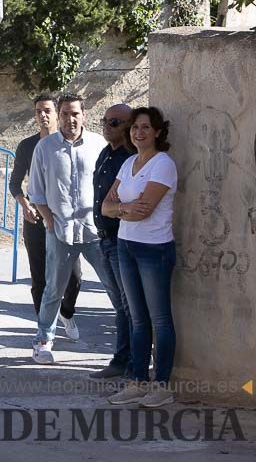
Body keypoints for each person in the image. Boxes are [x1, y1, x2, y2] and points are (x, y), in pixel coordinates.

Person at [103, 107, 179, 408]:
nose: (139, 132)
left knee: (159, 319)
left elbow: (144, 210)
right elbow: (105, 207)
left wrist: (120, 207)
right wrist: (124, 209)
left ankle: (162, 386)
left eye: (146, 127)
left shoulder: (163, 164)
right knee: (137, 319)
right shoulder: (129, 163)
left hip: (154, 249)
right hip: (126, 244)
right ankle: (137, 381)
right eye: (135, 127)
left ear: (157, 131)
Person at [29, 93, 112, 365]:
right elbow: (36, 191)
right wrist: (50, 222)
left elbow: (111, 185)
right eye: (64, 113)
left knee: (114, 286)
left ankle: (128, 343)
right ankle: (43, 342)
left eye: (75, 113)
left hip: (94, 233)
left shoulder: (99, 145)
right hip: (60, 232)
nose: (69, 119)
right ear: (59, 116)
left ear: (84, 115)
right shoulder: (45, 148)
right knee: (53, 290)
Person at [10, 94, 83, 340]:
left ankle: (67, 312)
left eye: (48, 110)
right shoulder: (27, 146)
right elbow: (15, 184)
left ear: (57, 114)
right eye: (38, 111)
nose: (43, 115)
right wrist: (25, 204)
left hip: (66, 221)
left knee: (74, 278)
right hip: (36, 221)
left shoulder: (68, 143)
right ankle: (44, 329)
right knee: (40, 277)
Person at [89, 103, 134, 379]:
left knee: (128, 307)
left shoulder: (130, 158)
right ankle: (124, 360)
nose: (107, 126)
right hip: (104, 239)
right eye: (105, 121)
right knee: (120, 305)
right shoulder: (107, 153)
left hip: (121, 241)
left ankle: (126, 362)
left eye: (115, 122)